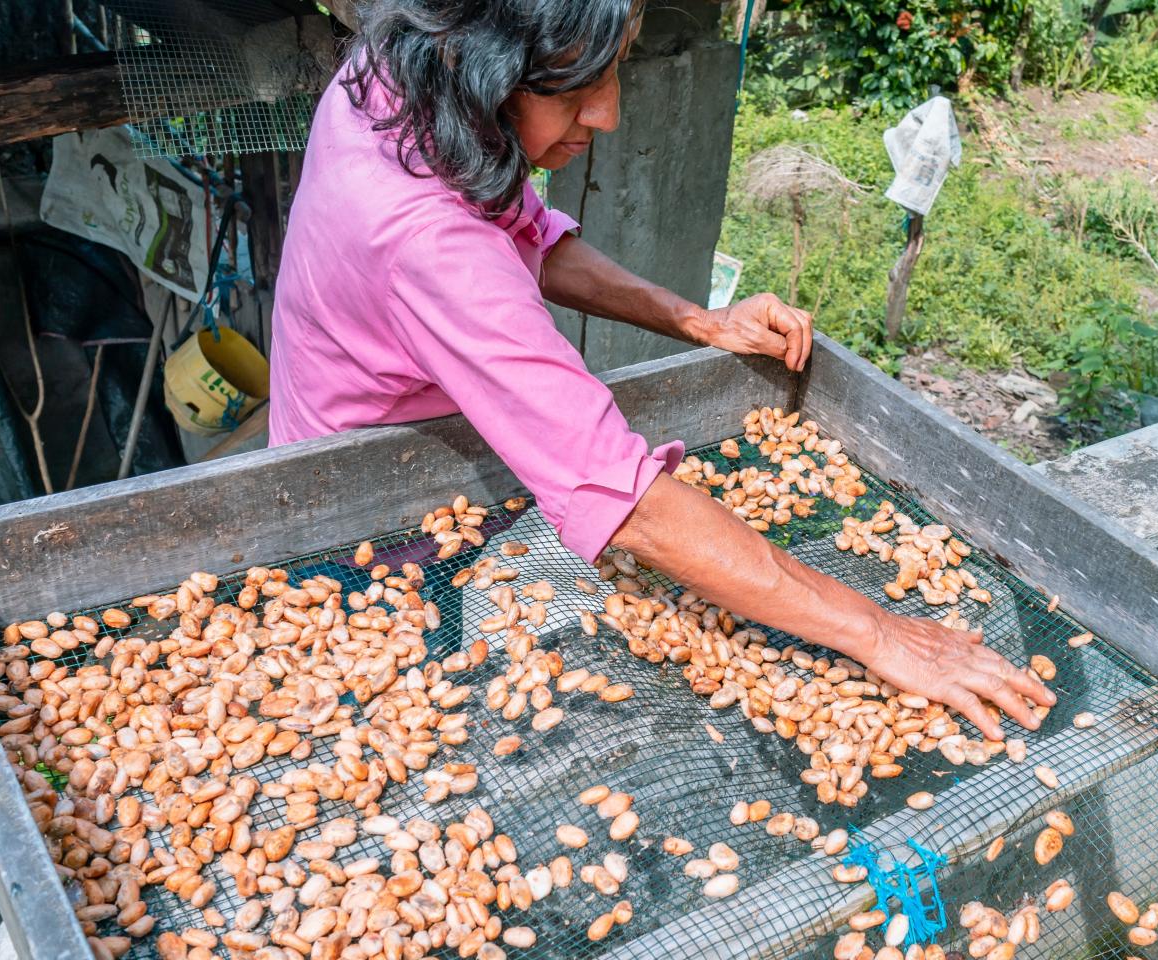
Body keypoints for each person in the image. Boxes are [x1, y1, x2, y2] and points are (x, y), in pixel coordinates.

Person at [267, 0, 1053, 737]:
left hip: (401, 445)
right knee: (404, 718)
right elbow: (629, 502)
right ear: (482, 66)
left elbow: (523, 232)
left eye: (614, 70)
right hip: (373, 529)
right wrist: (880, 633)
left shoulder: (399, 68)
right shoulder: (425, 242)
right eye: (576, 87)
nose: (607, 113)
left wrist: (696, 320)